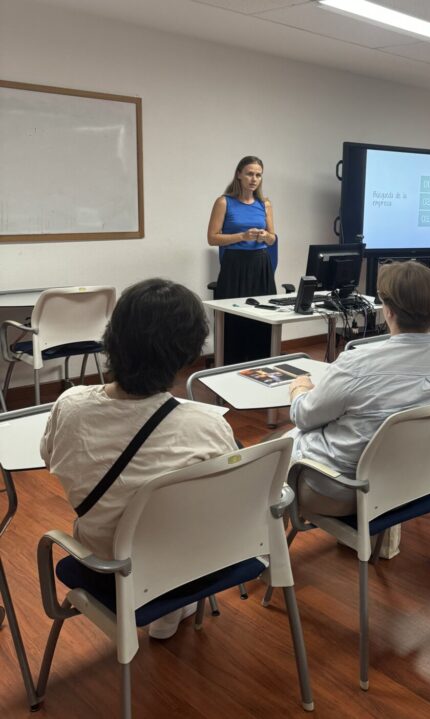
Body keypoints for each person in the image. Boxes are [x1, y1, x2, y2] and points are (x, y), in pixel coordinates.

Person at [41, 278, 237, 638]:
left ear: (112, 338)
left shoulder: (69, 407)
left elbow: (48, 454)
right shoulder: (208, 426)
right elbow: (228, 498)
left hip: (106, 564)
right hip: (193, 564)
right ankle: (171, 608)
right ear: (188, 354)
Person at [287, 260, 430, 516]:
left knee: (272, 455)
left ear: (388, 312)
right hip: (417, 481)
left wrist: (300, 389)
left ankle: (265, 550)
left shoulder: (356, 365)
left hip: (345, 490)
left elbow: (304, 417)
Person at [207, 155, 277, 364]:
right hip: (235, 265)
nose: (254, 179)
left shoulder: (265, 204)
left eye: (258, 175)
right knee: (235, 318)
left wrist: (266, 236)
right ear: (239, 175)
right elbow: (212, 238)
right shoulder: (224, 202)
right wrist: (242, 236)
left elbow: (273, 238)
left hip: (261, 264)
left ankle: (261, 362)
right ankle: (230, 365)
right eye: (249, 174)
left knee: (262, 315)